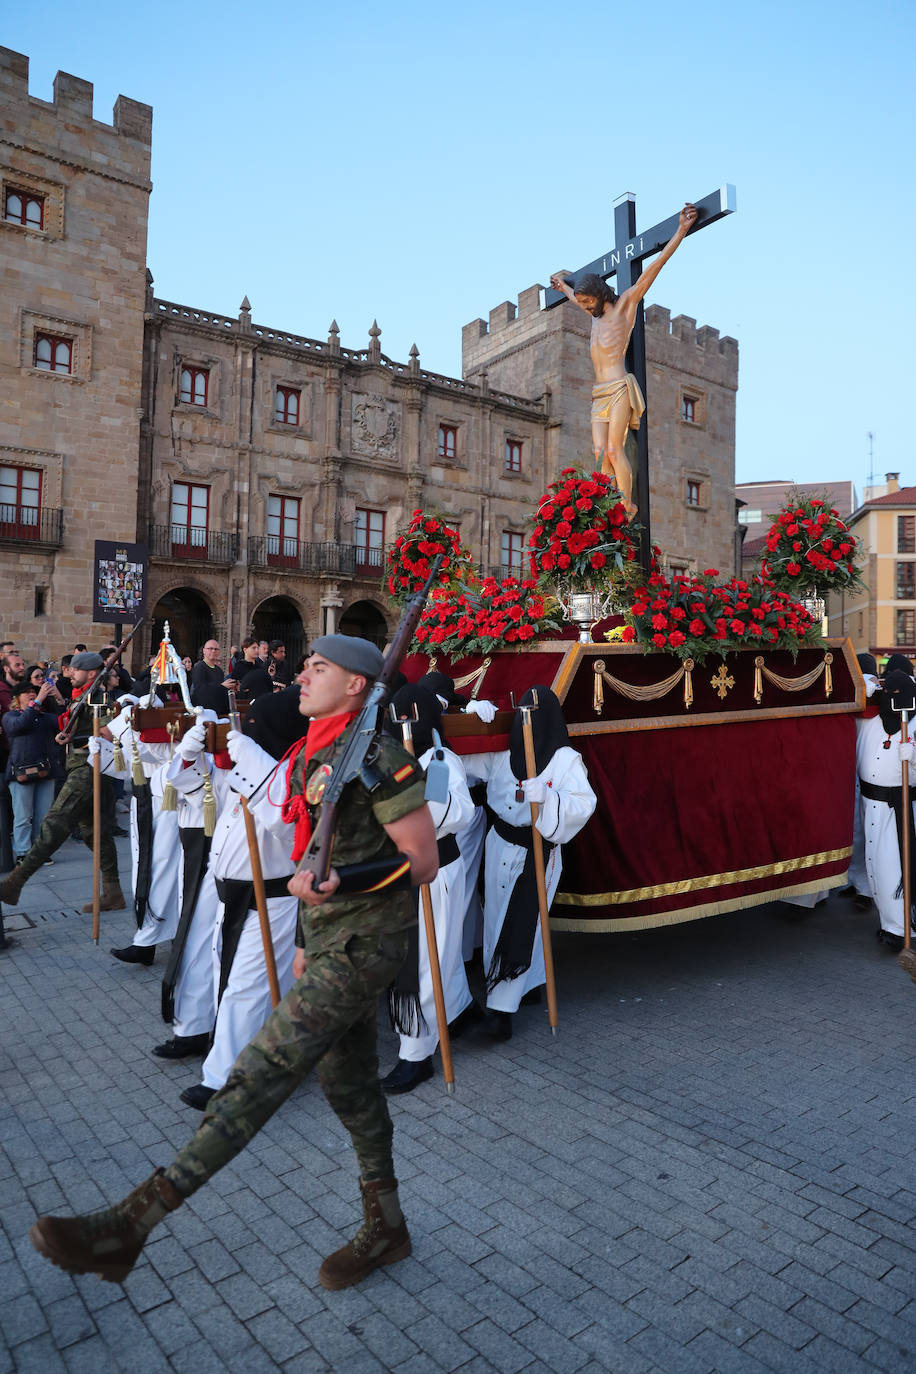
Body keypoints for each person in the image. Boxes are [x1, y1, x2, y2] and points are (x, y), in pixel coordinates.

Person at [29, 633, 439, 1291]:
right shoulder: (317, 755)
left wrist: (344, 885)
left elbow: (423, 861)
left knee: (258, 1072)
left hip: (365, 949)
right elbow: (314, 850)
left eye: (319, 668)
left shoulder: (382, 759)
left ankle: (129, 1226)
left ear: (358, 684)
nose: (302, 676)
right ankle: (385, 1227)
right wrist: (307, 938)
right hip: (330, 943)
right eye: (303, 665)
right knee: (353, 1089)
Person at [465, 687, 597, 1038]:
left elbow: (584, 803)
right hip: (500, 843)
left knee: (521, 923)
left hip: (536, 848)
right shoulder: (503, 751)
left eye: (534, 714)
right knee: (496, 919)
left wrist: (550, 798)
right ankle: (530, 983)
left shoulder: (565, 759)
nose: (528, 722)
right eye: (522, 713)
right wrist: (469, 718)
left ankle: (500, 1013)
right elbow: (464, 767)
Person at [550, 202, 698, 516]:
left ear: (601, 294)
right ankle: (606, 505)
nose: (586, 307)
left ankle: (626, 505)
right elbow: (573, 298)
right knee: (599, 452)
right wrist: (562, 285)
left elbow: (654, 268)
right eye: (583, 303)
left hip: (618, 387)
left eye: (589, 301)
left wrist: (681, 231)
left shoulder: (623, 307)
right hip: (598, 393)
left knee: (615, 449)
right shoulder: (592, 315)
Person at [0, 653, 126, 911]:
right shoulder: (84, 694)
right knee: (96, 834)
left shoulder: (97, 697)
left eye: (75, 670)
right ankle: (113, 892)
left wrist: (77, 740)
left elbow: (105, 733)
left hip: (88, 769)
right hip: (85, 768)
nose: (70, 673)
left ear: (90, 673)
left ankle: (16, 881)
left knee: (55, 821)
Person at [2, 680, 65, 863]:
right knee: (23, 816)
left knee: (44, 816)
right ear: (16, 697)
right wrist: (37, 701)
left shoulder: (44, 717)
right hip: (20, 774)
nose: (31, 694)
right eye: (26, 692)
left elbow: (64, 723)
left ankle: (40, 851)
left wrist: (60, 700)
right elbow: (20, 725)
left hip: (46, 771)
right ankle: (23, 852)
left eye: (34, 692)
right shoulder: (10, 717)